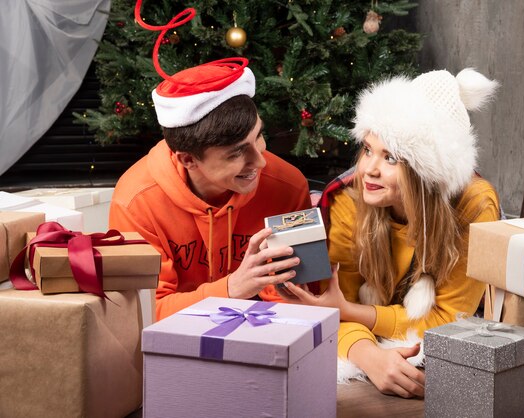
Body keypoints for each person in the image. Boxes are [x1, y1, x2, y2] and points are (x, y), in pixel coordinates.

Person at [279, 68, 501, 398]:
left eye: (391, 157)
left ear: (427, 171)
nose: (368, 168)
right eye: (368, 149)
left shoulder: (474, 207)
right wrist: (369, 357)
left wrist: (352, 313)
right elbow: (329, 307)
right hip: (365, 356)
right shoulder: (349, 200)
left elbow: (449, 323)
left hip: (439, 363)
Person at [109, 2, 311, 320]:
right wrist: (231, 289)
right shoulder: (135, 202)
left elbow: (305, 295)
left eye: (258, 136)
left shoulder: (289, 185)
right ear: (188, 159)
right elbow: (143, 314)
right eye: (236, 153)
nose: (260, 161)